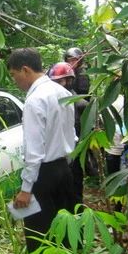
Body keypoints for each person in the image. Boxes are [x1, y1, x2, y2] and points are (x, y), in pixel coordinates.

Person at [8, 48, 76, 254]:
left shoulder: (35, 100)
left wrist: (26, 189)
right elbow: (72, 135)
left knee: (40, 235)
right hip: (64, 170)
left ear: (25, 69)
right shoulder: (63, 93)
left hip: (44, 175)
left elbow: (34, 151)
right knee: (62, 231)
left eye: (14, 74)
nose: (14, 80)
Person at [47, 62, 88, 206]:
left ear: (70, 81)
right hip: (56, 158)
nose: (56, 85)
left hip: (74, 154)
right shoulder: (50, 102)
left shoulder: (81, 104)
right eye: (54, 82)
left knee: (75, 194)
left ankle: (79, 226)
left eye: (60, 81)